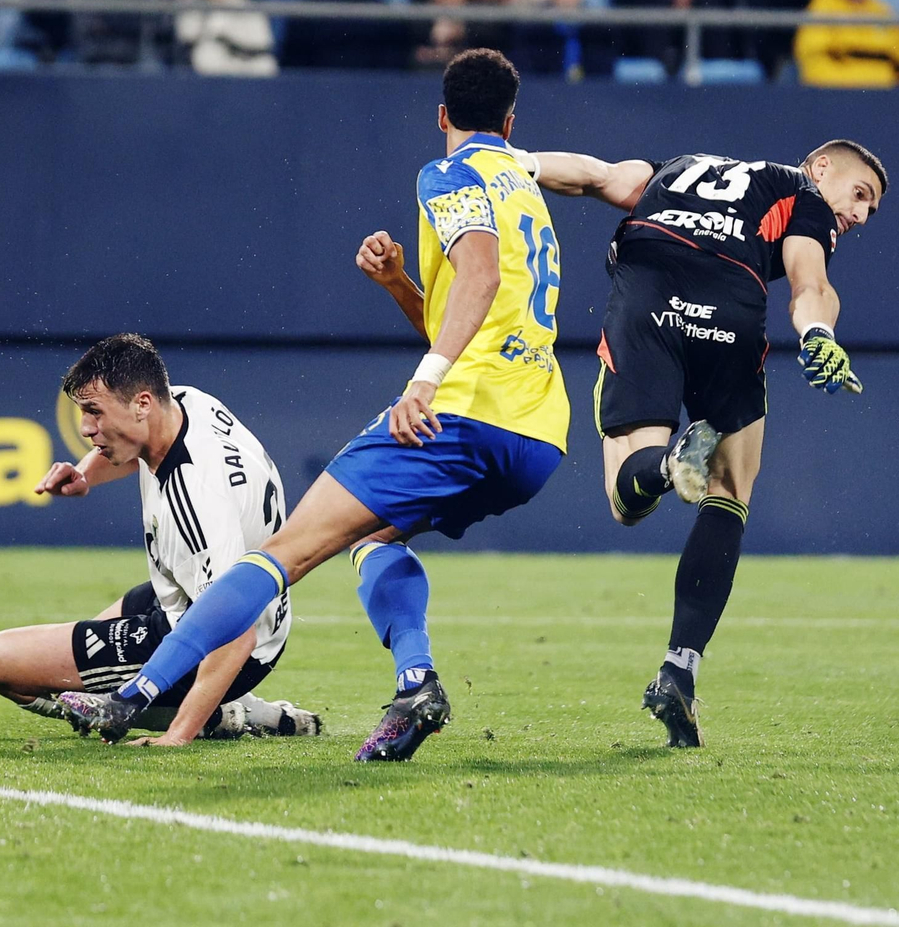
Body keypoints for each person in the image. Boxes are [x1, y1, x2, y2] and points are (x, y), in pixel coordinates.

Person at [59, 50, 570, 764]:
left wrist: (423, 382)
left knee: (281, 554)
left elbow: (478, 277)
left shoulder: (449, 173)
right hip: (538, 434)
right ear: (512, 122)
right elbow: (470, 311)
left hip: (458, 412)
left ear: (442, 116)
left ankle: (134, 695)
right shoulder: (524, 179)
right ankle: (415, 681)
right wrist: (399, 283)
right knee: (375, 541)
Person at [516, 136, 887, 746]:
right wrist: (817, 333)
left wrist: (515, 165)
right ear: (820, 168)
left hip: (647, 298)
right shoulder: (802, 194)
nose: (861, 215)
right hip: (728, 311)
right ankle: (679, 670)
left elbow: (592, 174)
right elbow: (809, 280)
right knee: (732, 489)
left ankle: (665, 466)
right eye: (860, 195)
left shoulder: (674, 169)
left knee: (627, 500)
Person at [0, 334, 321, 746]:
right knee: (71, 654)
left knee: (0, 661)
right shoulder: (187, 403)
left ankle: (205, 715)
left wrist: (176, 737)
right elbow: (134, 446)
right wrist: (85, 473)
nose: (86, 428)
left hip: (225, 640)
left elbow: (234, 630)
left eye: (94, 412)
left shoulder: (196, 497)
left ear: (141, 404)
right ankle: (244, 712)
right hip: (200, 595)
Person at [177, 0, 277, 76]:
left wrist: (221, 2)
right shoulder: (192, 3)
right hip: (201, 82)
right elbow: (187, 36)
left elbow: (260, 45)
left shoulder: (246, 4)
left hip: (245, 77)